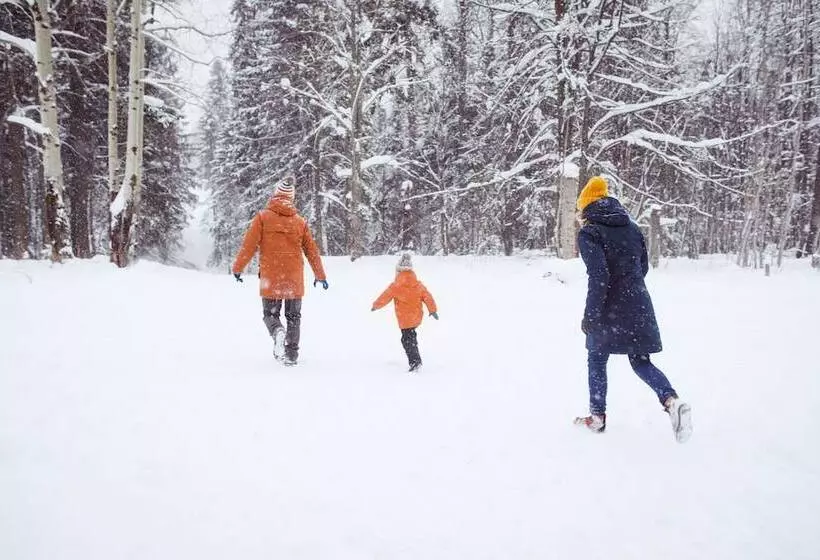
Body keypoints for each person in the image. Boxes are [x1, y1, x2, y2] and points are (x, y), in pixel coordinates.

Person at [573, 176, 692, 443]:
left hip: (608, 308)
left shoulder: (590, 232)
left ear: (586, 207)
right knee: (640, 361)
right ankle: (671, 401)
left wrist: (591, 315)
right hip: (638, 302)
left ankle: (597, 417)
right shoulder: (632, 228)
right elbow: (643, 268)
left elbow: (599, 276)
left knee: (596, 357)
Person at [232, 175, 328, 366]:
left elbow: (249, 245)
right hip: (293, 278)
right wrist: (320, 275)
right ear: (291, 198)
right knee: (294, 317)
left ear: (275, 195)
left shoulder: (263, 218)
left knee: (270, 315)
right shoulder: (300, 222)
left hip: (271, 276)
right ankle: (291, 355)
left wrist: (238, 268)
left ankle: (277, 331)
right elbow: (312, 251)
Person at [371, 253, 438, 372]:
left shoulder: (396, 286)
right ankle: (415, 361)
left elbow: (385, 296)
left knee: (407, 339)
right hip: (416, 316)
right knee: (410, 337)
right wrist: (432, 310)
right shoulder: (418, 284)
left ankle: (415, 362)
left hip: (405, 319)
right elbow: (428, 297)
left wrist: (376, 305)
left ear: (398, 271)